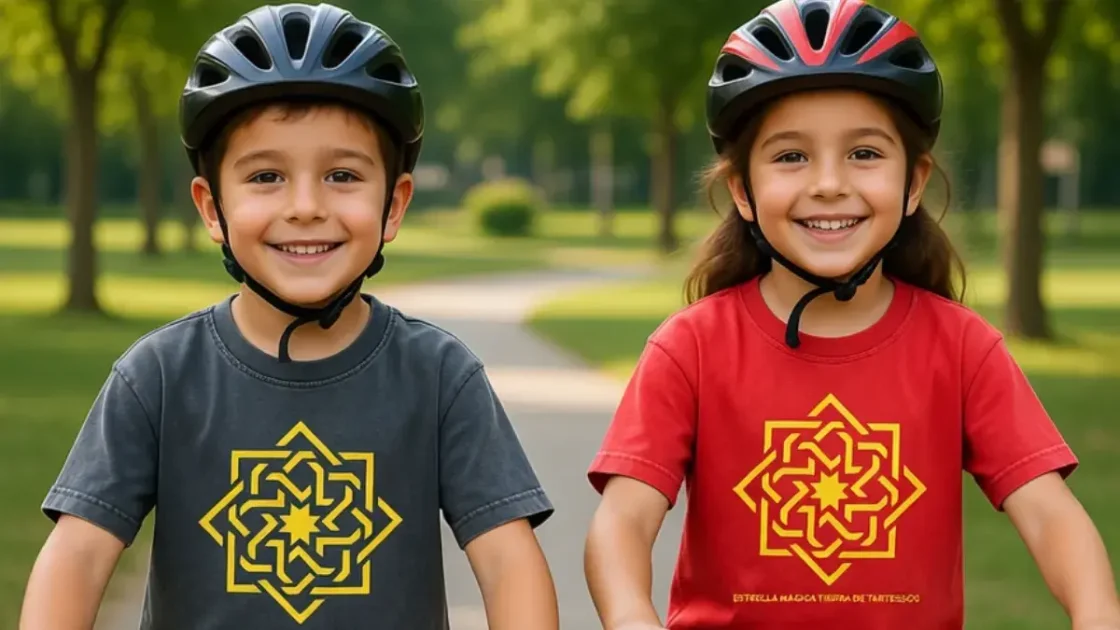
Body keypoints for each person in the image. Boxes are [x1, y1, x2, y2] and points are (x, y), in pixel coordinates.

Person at [582, 0, 1120, 628]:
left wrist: (1097, 612)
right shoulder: (691, 348)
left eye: (864, 153)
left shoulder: (963, 348)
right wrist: (629, 615)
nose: (830, 183)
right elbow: (622, 522)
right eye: (791, 157)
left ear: (914, 183)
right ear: (741, 191)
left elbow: (1052, 516)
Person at [20, 4, 558, 629]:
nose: (305, 207)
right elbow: (79, 557)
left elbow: (507, 565)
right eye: (267, 176)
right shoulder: (159, 376)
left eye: (341, 175)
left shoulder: (439, 376)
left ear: (394, 204)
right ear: (212, 207)